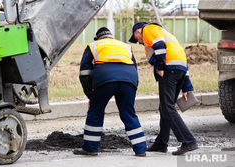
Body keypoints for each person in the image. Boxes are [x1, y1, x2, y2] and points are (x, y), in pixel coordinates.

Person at [73, 27, 147, 157]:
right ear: (111, 37)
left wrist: (91, 95)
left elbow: (84, 74)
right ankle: (141, 149)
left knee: (95, 112)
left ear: (98, 38)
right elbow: (134, 69)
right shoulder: (125, 46)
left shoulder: (93, 46)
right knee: (128, 112)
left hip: (104, 79)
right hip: (129, 80)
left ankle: (90, 148)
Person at [129, 22, 198, 155]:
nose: (138, 41)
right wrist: (186, 86)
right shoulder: (167, 34)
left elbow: (159, 46)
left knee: (167, 108)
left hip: (168, 69)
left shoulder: (148, 29)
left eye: (135, 37)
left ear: (138, 31)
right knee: (165, 107)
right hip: (179, 69)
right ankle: (161, 143)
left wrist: (160, 66)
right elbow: (181, 59)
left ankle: (188, 141)